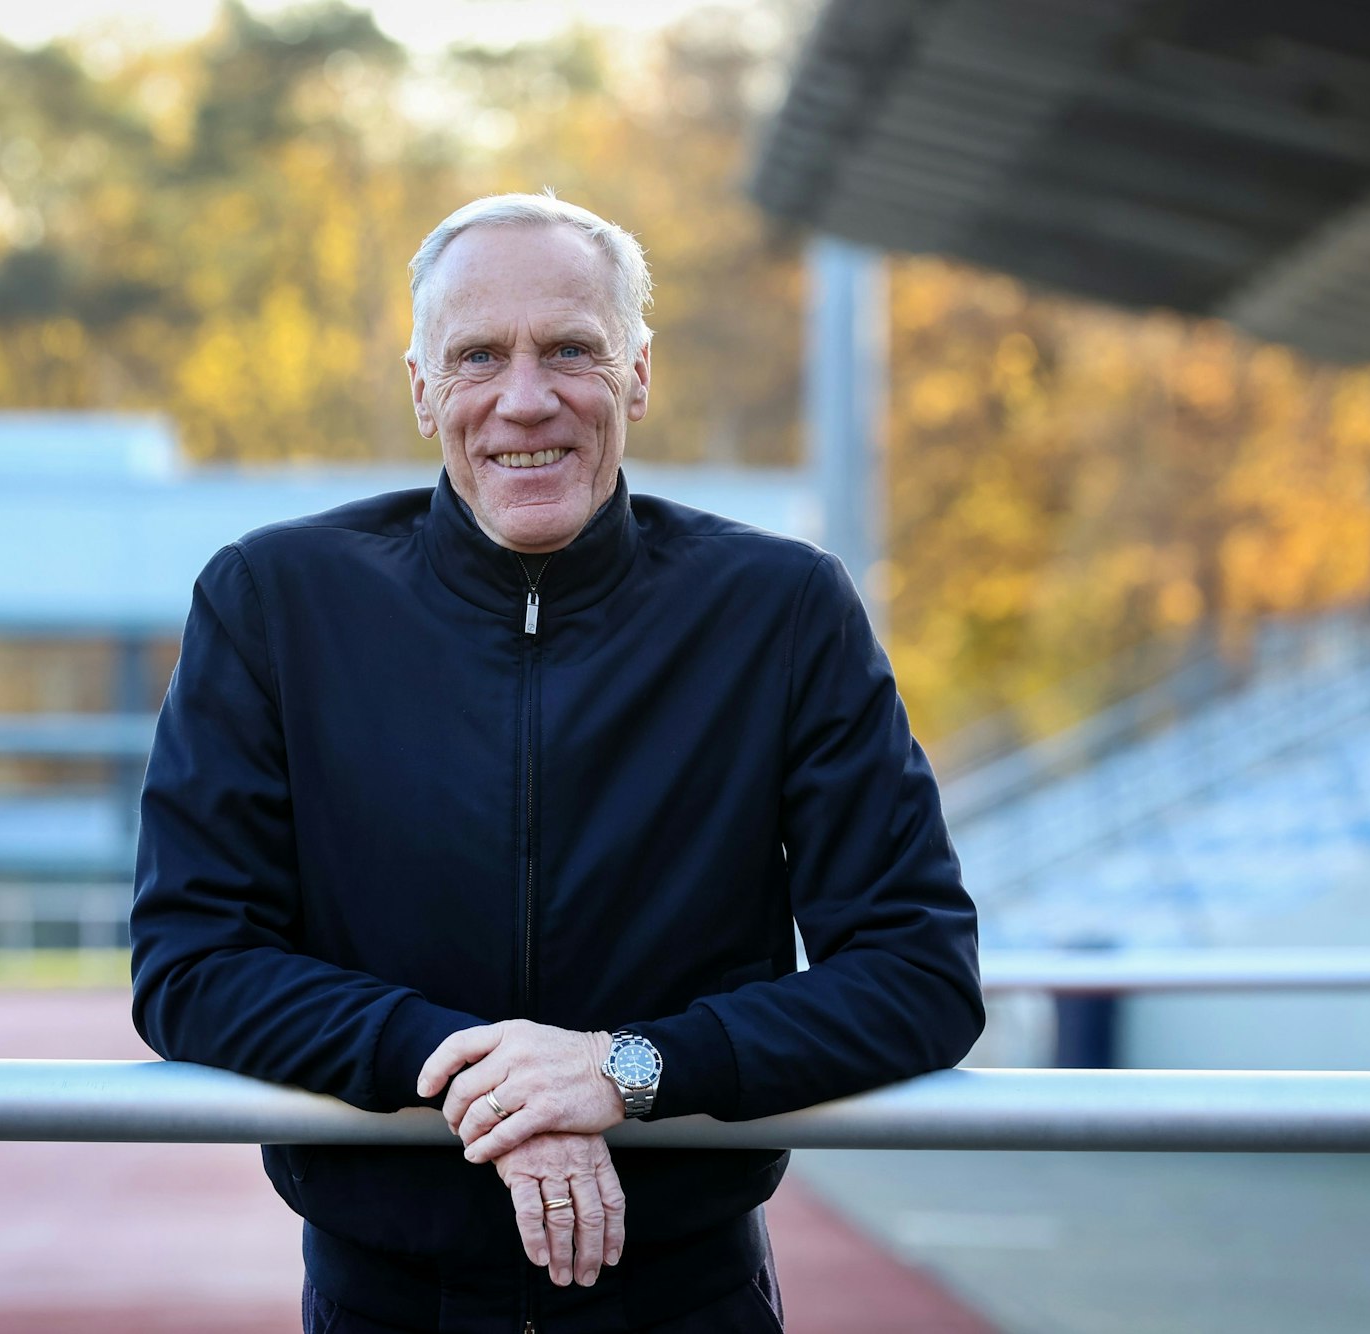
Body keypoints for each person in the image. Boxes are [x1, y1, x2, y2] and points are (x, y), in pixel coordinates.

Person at [130, 193, 983, 1333]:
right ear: (423, 386)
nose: (524, 399)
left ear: (636, 373)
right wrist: (473, 1068)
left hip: (687, 1296)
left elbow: (918, 973)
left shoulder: (781, 610)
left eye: (570, 350)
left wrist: (629, 1069)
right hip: (385, 1297)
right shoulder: (274, 601)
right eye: (478, 354)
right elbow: (191, 959)